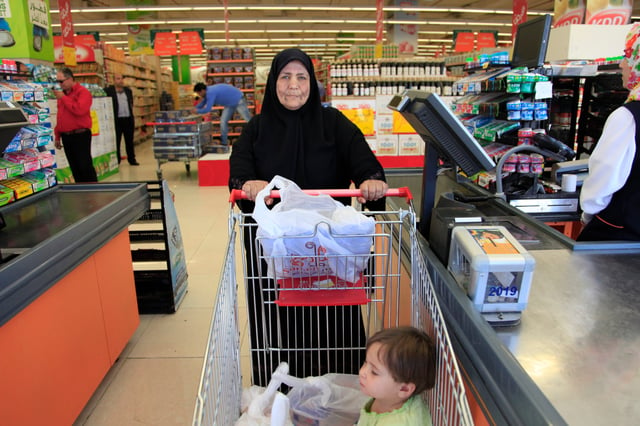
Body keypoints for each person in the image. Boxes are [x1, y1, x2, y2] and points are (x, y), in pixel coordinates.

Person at [229, 48, 388, 386]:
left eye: (301, 77)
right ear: (273, 82)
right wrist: (247, 184)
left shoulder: (334, 124)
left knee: (334, 318)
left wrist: (370, 179)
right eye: (285, 77)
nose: (293, 86)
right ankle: (280, 389)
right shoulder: (255, 129)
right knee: (278, 316)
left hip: (326, 247)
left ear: (312, 83)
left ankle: (339, 387)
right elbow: (238, 171)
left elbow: (362, 158)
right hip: (277, 252)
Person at [578, 23, 640, 241]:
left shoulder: (627, 116)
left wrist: (587, 213)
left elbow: (605, 177)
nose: (622, 64)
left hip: (618, 236)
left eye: (627, 56)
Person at [357, 326, 436, 425]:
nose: (362, 372)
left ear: (404, 389)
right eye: (365, 362)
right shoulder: (388, 397)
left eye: (374, 372)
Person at [53, 67, 98, 183]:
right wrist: (57, 135)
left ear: (70, 79)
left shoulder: (83, 92)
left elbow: (79, 110)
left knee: (85, 166)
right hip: (66, 136)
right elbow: (60, 116)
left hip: (80, 135)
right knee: (74, 167)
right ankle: (80, 191)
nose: (59, 84)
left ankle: (93, 190)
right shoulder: (62, 95)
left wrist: (64, 98)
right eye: (57, 81)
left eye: (61, 81)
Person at [105, 73, 139, 165]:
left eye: (121, 79)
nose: (120, 80)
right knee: (117, 141)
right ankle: (117, 160)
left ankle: (132, 159)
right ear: (113, 80)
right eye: (118, 79)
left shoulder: (128, 91)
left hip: (128, 119)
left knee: (129, 141)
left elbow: (131, 103)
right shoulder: (109, 91)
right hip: (116, 120)